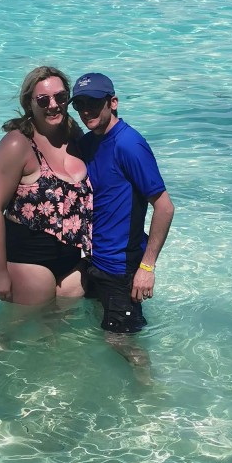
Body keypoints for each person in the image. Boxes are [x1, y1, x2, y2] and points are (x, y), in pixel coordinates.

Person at [71, 72, 174, 335]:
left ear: (113, 102)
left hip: (122, 269)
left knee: (123, 344)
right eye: (79, 105)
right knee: (97, 331)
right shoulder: (87, 143)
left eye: (93, 103)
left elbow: (164, 206)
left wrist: (147, 268)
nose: (85, 111)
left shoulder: (129, 144)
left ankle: (149, 379)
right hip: (94, 262)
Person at [0, 66, 92, 306]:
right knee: (19, 333)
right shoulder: (17, 144)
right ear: (28, 103)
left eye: (61, 97)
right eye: (43, 100)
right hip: (29, 260)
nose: (53, 105)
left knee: (63, 336)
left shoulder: (76, 136)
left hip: (73, 260)